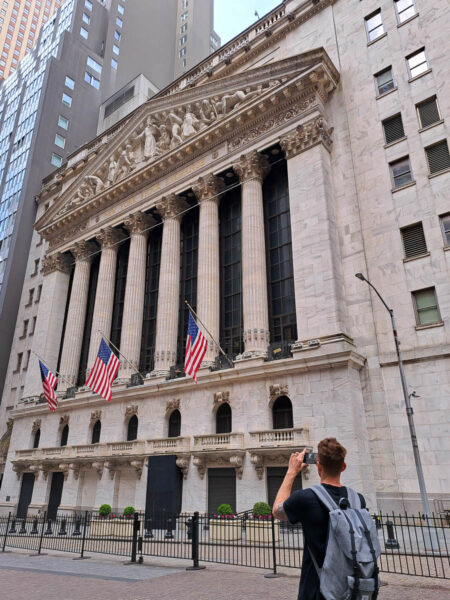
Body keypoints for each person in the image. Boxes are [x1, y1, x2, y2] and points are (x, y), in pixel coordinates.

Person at [272, 438, 366, 600]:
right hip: (353, 586)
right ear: (343, 467)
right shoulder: (358, 499)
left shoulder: (306, 498)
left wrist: (291, 472)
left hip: (317, 588)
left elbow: (277, 511)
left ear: (319, 467)